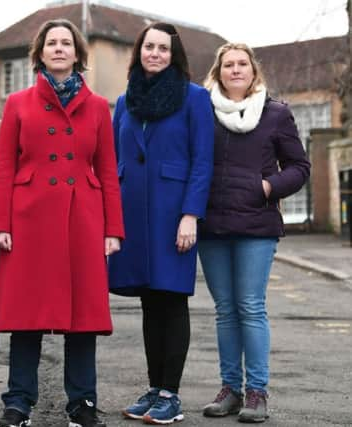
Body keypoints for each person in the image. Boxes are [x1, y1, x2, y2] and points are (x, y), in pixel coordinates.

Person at [0, 19, 124, 427]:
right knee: (26, 315)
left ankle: (82, 404)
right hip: (29, 218)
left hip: (83, 217)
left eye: (67, 43)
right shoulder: (17, 103)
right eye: (52, 43)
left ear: (78, 53)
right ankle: (18, 402)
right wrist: (0, 222)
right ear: (40, 53)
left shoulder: (99, 106)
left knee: (83, 318)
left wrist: (112, 229)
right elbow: (4, 167)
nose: (59, 48)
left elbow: (108, 172)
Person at [107, 22, 214, 425]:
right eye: (149, 47)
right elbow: (116, 160)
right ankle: (154, 388)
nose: (155, 53)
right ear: (140, 52)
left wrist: (191, 214)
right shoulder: (125, 100)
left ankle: (171, 393)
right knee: (149, 302)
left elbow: (203, 161)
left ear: (174, 55)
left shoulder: (194, 98)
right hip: (134, 211)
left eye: (163, 49)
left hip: (173, 213)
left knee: (171, 299)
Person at [197, 43, 310, 423]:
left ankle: (257, 393)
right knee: (225, 311)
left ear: (252, 70)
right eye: (227, 64)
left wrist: (267, 188)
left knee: (250, 307)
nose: (235, 70)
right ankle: (230, 389)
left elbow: (298, 166)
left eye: (242, 63)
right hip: (211, 225)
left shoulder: (276, 113)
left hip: (256, 227)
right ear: (219, 71)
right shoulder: (204, 111)